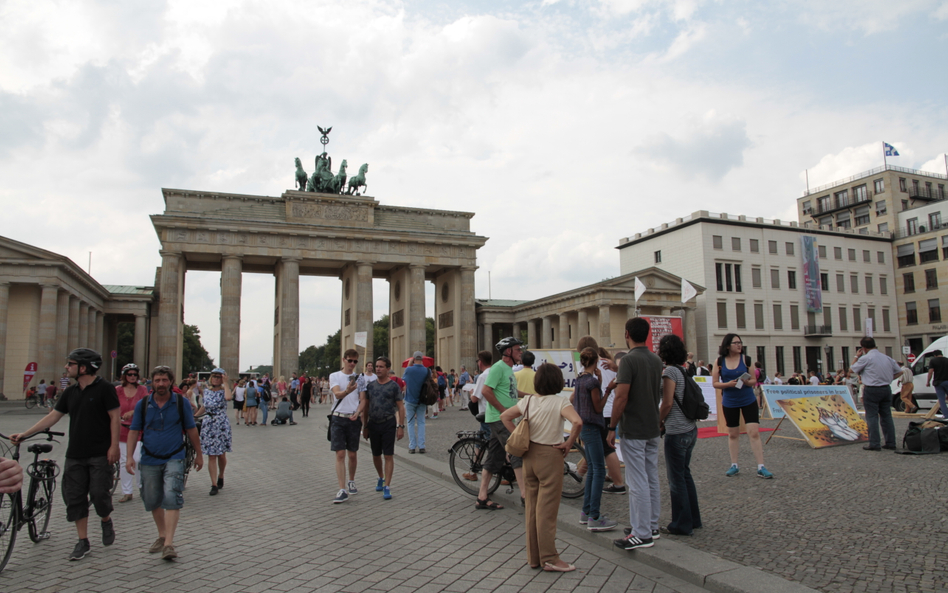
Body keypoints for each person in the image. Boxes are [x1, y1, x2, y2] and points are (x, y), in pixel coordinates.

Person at [11, 348, 120, 561]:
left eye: (70, 364)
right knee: (75, 498)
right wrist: (25, 434)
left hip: (100, 452)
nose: (66, 367)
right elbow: (53, 417)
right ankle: (83, 541)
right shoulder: (70, 393)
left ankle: (105, 519)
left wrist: (114, 446)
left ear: (84, 367)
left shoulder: (105, 388)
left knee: (99, 494)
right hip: (75, 454)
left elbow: (115, 418)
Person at [500, 363, 582, 572]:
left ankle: (534, 557)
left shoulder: (528, 401)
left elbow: (504, 416)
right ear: (557, 381)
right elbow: (578, 422)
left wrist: (517, 434)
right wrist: (569, 442)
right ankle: (551, 558)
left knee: (532, 508)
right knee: (547, 511)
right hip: (550, 455)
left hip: (529, 456)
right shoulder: (560, 401)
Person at [126, 366, 203, 560]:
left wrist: (199, 454)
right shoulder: (143, 404)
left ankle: (169, 543)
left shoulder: (181, 403)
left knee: (171, 495)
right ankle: (162, 534)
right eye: (157, 380)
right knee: (151, 498)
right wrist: (128, 457)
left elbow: (191, 429)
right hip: (150, 456)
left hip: (175, 456)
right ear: (152, 382)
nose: (161, 384)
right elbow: (134, 432)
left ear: (171, 382)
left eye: (165, 380)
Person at [609, 318, 662, 551]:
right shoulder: (655, 359)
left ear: (627, 333)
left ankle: (641, 533)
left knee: (636, 479)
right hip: (652, 426)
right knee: (651, 477)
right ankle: (651, 525)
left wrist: (612, 427)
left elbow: (621, 397)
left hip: (634, 427)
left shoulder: (629, 360)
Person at [476, 337, 528, 510]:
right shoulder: (498, 367)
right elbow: (486, 391)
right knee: (516, 450)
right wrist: (503, 411)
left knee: (494, 457)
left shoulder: (508, 369)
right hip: (499, 418)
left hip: (504, 417)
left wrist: (529, 396)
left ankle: (482, 497)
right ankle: (525, 495)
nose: (521, 352)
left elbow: (511, 391)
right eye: (517, 349)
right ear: (508, 352)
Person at [657, 334, 701, 536]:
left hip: (676, 430)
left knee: (676, 479)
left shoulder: (670, 373)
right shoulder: (683, 370)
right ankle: (693, 518)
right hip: (690, 428)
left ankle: (681, 523)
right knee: (685, 474)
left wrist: (658, 421)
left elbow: (667, 403)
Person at [712, 334, 774, 478]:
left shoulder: (747, 360)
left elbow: (753, 380)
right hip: (729, 401)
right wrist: (728, 384)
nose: (739, 345)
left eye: (740, 343)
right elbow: (715, 383)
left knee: (754, 432)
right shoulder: (719, 361)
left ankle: (761, 466)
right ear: (727, 345)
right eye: (736, 343)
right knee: (733, 434)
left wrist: (746, 382)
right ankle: (734, 465)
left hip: (748, 399)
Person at [573, 347, 617, 532]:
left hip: (584, 426)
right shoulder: (592, 382)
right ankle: (595, 516)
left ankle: (586, 512)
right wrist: (607, 389)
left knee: (592, 468)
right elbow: (598, 407)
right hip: (593, 426)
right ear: (596, 362)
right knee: (598, 470)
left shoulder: (580, 380)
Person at [577, 336, 627, 495]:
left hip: (597, 411)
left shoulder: (585, 369)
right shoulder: (609, 363)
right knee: (599, 447)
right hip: (611, 409)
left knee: (606, 449)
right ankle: (581, 474)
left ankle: (619, 483)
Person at [354, 356, 405, 500]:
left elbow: (401, 407)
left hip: (388, 422)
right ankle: (380, 477)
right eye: (377, 366)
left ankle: (387, 486)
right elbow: (366, 406)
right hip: (373, 424)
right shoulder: (371, 386)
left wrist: (400, 426)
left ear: (388, 369)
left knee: (388, 455)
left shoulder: (394, 386)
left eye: (381, 366)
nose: (378, 369)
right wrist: (365, 426)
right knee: (376, 455)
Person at [851, 337, 902, 451]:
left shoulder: (866, 358)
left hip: (872, 389)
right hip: (886, 388)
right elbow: (900, 371)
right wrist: (889, 379)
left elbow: (852, 370)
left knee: (872, 417)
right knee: (887, 416)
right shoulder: (887, 358)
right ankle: (890, 442)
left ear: (863, 348)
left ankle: (874, 443)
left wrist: (856, 357)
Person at [329, 349, 367, 503]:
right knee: (340, 454)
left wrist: (358, 412)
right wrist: (347, 390)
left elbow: (363, 399)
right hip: (338, 418)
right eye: (350, 360)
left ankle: (351, 480)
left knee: (352, 454)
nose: (352, 364)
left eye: (355, 361)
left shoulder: (360, 378)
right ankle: (342, 488)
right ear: (343, 360)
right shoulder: (335, 376)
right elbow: (337, 394)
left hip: (353, 418)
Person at [192, 368, 232, 495]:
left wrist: (226, 384)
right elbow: (205, 406)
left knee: (221, 454)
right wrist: (194, 417)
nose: (215, 378)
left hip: (221, 424)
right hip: (209, 423)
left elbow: (228, 397)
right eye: (214, 376)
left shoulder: (224, 391)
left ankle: (221, 475)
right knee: (212, 455)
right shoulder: (207, 391)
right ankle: (214, 484)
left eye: (219, 377)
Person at [116, 363, 148, 503]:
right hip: (122, 429)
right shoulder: (117, 390)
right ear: (124, 376)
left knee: (138, 459)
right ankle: (127, 491)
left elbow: (146, 404)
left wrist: (133, 412)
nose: (133, 377)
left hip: (137, 429)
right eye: (130, 374)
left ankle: (142, 486)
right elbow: (112, 406)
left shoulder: (142, 389)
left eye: (135, 374)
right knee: (124, 462)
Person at [403, 352, 433, 453]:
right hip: (422, 400)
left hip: (410, 399)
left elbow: (404, 379)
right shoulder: (427, 371)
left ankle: (412, 446)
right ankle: (421, 446)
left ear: (414, 359)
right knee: (421, 422)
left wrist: (409, 365)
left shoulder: (409, 369)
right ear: (422, 359)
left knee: (410, 423)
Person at [926, 350, 948, 417]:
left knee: (942, 400)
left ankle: (946, 416)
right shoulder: (947, 360)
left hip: (938, 383)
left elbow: (930, 372)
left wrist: (928, 382)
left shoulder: (933, 361)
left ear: (935, 355)